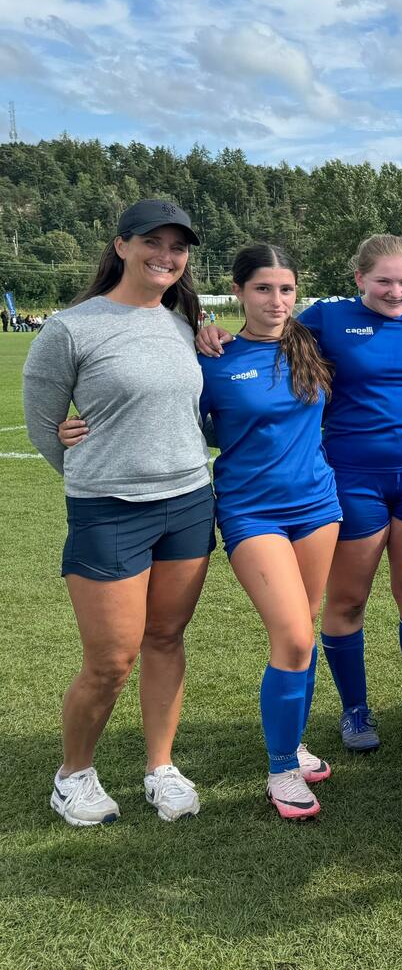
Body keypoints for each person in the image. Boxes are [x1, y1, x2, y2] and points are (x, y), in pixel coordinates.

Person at [201, 234, 402, 752]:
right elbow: (265, 333)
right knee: (348, 600)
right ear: (359, 278)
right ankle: (355, 710)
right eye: (383, 280)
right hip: (352, 476)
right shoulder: (327, 319)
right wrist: (208, 328)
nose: (396, 290)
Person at [23, 200, 214, 825]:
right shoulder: (73, 327)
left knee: (166, 637)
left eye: (177, 247)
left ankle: (160, 766)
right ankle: (72, 775)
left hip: (188, 501)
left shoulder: (185, 323)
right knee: (110, 660)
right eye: (152, 242)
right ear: (122, 245)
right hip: (108, 509)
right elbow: (44, 427)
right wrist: (93, 467)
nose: (166, 256)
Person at [194, 245, 342, 817]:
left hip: (317, 505)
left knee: (302, 629)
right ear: (237, 292)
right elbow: (182, 419)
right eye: (263, 289)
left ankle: (294, 743)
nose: (276, 301)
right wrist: (200, 329)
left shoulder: (309, 344)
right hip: (251, 511)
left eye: (286, 289)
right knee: (295, 637)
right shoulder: (212, 356)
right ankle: (281, 769)